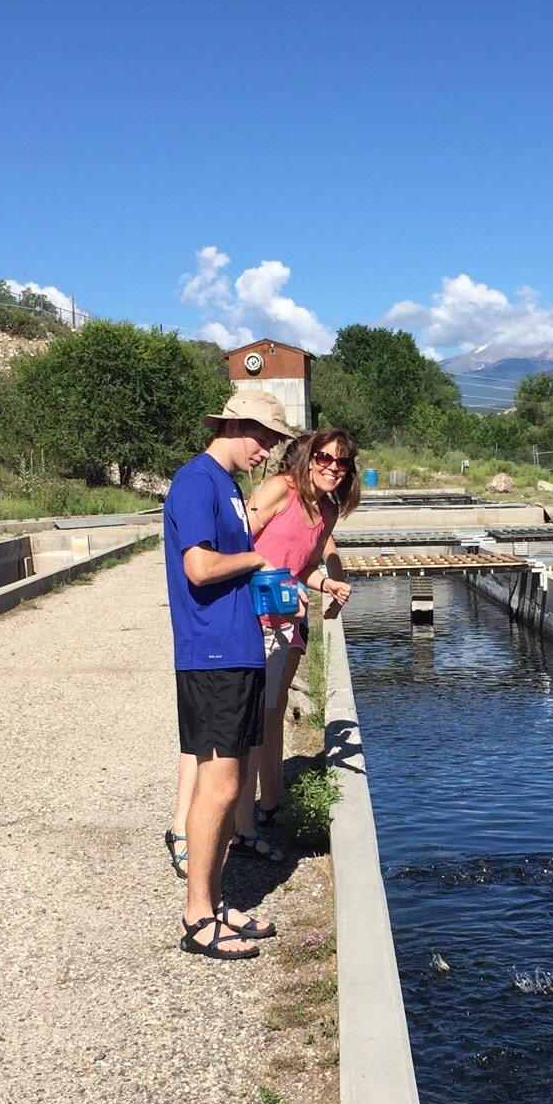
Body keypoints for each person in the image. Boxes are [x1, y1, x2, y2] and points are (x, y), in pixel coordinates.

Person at [161, 389, 299, 960]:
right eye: (265, 439)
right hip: (212, 655)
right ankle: (197, 917)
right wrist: (257, 561)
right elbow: (198, 567)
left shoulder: (228, 485)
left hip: (237, 649)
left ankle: (216, 903)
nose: (268, 452)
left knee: (231, 782)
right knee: (217, 787)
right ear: (238, 425)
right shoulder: (197, 481)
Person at [244, 427, 358, 825]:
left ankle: (271, 803)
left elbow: (304, 563)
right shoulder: (281, 489)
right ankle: (236, 819)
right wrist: (276, 577)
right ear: (309, 458)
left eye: (342, 462)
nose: (333, 468)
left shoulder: (326, 511)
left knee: (271, 711)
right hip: (249, 614)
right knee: (247, 715)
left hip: (285, 620)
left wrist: (326, 582)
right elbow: (237, 540)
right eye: (325, 458)